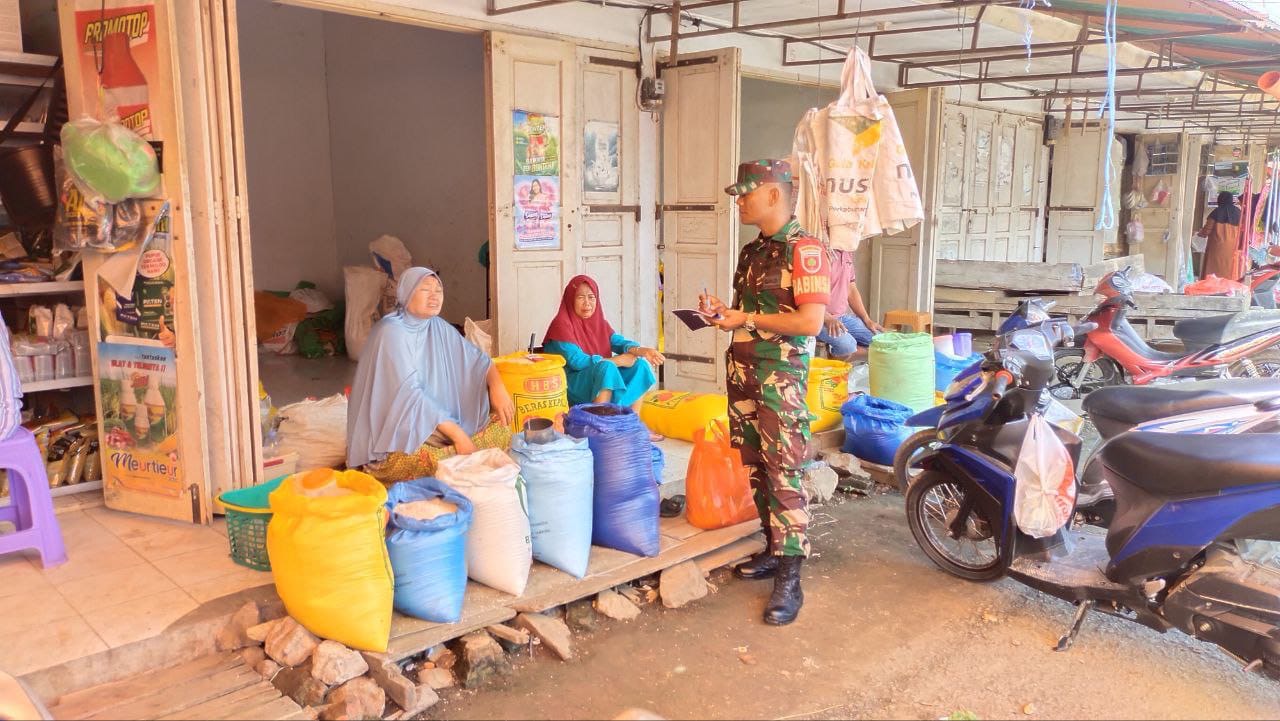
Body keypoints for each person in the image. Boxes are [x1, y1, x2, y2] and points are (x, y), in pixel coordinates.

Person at [700, 159, 830, 626]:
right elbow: (747, 311)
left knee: (785, 472)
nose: (739, 201)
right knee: (756, 465)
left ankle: (790, 579)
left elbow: (809, 322)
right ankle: (774, 550)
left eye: (746, 193)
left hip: (781, 380)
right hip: (743, 372)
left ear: (774, 194)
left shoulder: (806, 249)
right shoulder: (752, 252)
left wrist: (747, 320)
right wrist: (723, 312)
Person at [346, 266, 516, 483]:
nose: (434, 296)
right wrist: (459, 436)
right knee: (429, 459)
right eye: (425, 289)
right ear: (406, 293)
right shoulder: (391, 331)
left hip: (436, 426)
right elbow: (409, 395)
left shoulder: (437, 326)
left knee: (503, 424)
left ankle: (456, 449)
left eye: (439, 290)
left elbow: (478, 362)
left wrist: (497, 387)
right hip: (395, 435)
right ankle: (451, 452)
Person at [542, 275, 664, 438]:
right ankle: (601, 428)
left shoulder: (599, 323)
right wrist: (617, 360)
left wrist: (642, 350)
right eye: (580, 297)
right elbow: (578, 362)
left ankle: (632, 425)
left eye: (591, 297)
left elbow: (618, 341)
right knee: (607, 366)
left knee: (639, 365)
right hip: (571, 384)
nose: (587, 303)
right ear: (570, 299)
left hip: (598, 378)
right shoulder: (561, 324)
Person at [817, 247, 883, 360]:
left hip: (842, 318)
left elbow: (851, 289)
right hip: (819, 318)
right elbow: (810, 292)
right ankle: (834, 360)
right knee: (847, 346)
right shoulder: (819, 253)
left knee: (881, 341)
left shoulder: (846, 252)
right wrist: (827, 317)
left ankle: (836, 356)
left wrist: (867, 319)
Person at [1199, 191, 1243, 281]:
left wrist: (1200, 233)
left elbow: (1206, 231)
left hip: (1216, 248)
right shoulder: (1239, 213)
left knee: (1212, 272)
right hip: (1233, 248)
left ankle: (1211, 287)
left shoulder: (1216, 212)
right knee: (1230, 271)